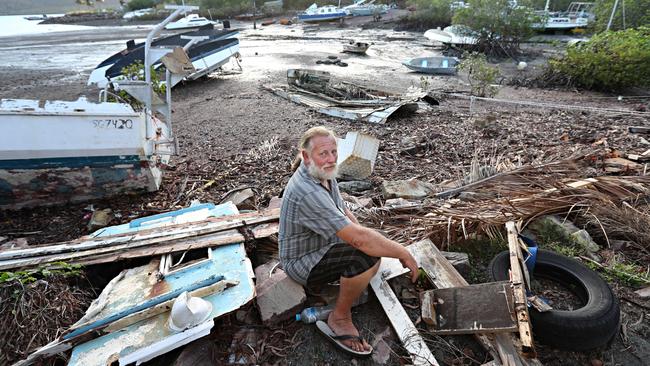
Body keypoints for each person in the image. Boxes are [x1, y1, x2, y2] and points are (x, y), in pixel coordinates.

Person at [279, 126, 419, 355]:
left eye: (334, 152)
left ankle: (343, 296)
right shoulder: (307, 191)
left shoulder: (322, 173)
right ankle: (340, 317)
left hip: (322, 244)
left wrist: (362, 234)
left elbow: (342, 210)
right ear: (306, 156)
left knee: (369, 250)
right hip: (302, 262)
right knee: (367, 257)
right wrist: (402, 252)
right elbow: (360, 241)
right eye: (323, 153)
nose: (331, 159)